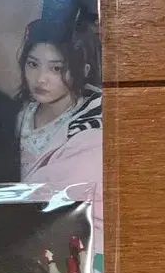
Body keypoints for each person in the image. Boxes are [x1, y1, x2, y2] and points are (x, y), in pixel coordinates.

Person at [16, 17, 101, 188]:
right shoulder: (19, 111)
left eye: (56, 69)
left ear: (84, 71)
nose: (40, 79)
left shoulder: (91, 127)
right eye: (33, 64)